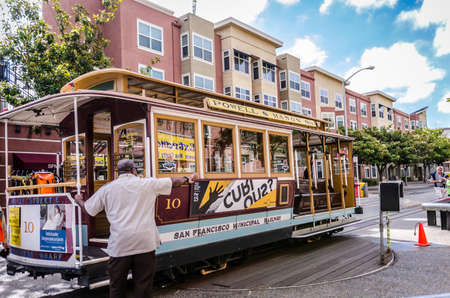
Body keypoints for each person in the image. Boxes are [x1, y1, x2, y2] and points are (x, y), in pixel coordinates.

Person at [74, 159, 198, 298]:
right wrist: (188, 178)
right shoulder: (147, 183)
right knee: (143, 286)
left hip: (120, 245)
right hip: (145, 244)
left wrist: (78, 199)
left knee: (117, 286)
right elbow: (174, 182)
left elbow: (89, 210)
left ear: (118, 172)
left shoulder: (107, 189)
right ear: (134, 170)